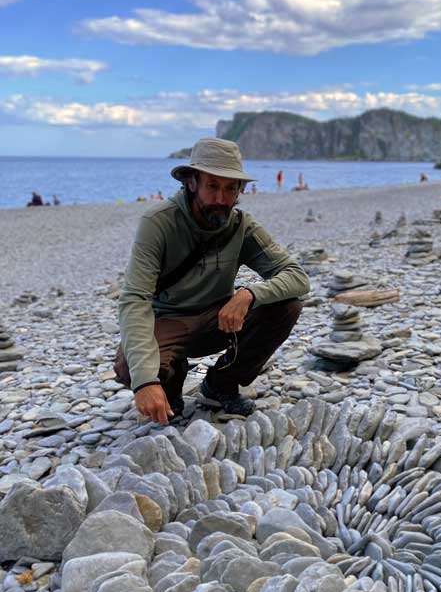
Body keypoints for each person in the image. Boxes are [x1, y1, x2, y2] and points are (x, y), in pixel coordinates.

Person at [114, 137, 310, 424]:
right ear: (192, 183)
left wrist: (248, 295)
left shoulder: (241, 226)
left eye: (230, 188)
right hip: (169, 320)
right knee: (129, 367)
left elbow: (297, 277)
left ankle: (220, 383)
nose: (221, 199)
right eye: (212, 186)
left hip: (218, 320)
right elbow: (135, 299)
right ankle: (169, 384)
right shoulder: (158, 222)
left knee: (287, 305)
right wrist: (144, 383)